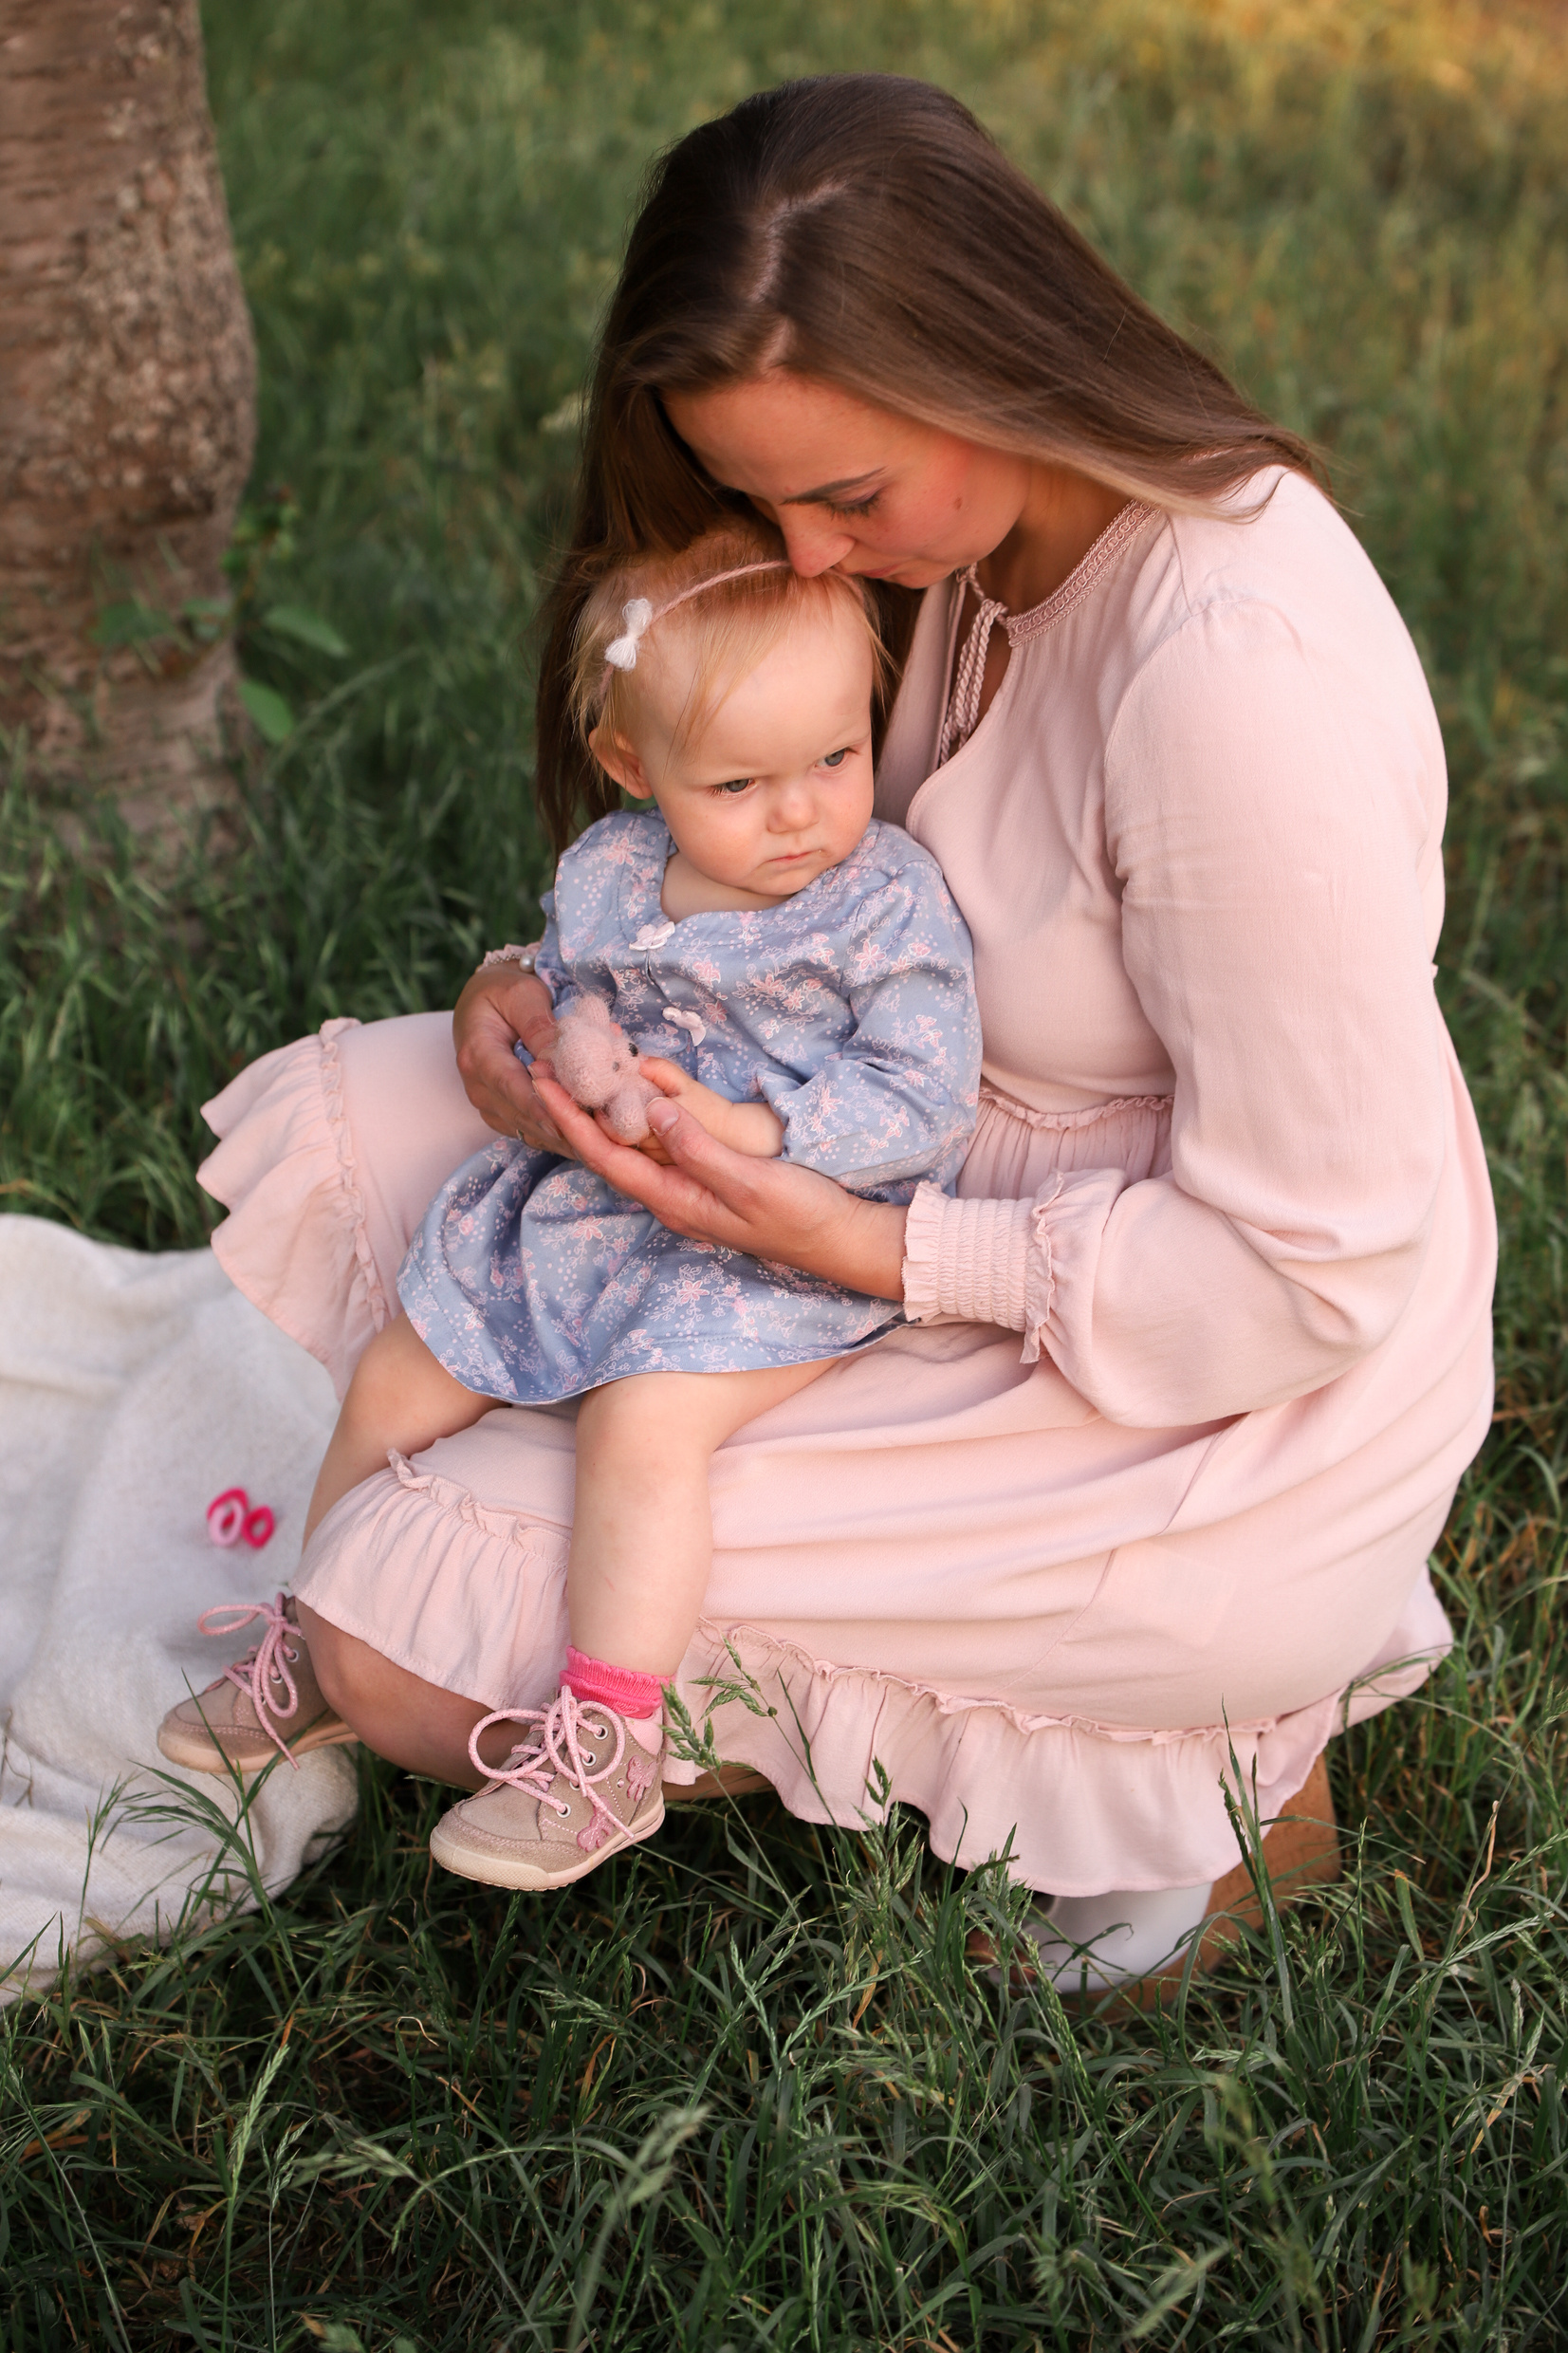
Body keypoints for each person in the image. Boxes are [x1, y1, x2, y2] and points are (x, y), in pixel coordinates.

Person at [159, 74, 1494, 1987]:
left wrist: (857, 1245)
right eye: (760, 495)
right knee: (384, 1118)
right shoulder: (956, 543)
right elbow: (775, 885)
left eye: (838, 495)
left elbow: (1310, 1265)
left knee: (406, 1641)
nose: (793, 555)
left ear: (997, 359)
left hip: (1187, 1374)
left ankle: (1231, 1753)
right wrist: (516, 1019)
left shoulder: (1223, 678)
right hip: (891, 1147)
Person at [160, 525, 979, 1892]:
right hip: (593, 1211)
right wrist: (565, 1045)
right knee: (399, 1369)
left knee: (644, 1422)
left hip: (779, 1241)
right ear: (633, 770)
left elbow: (923, 1092)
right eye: (739, 782)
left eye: (835, 759)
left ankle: (605, 1737)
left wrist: (764, 1130)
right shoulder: (609, 868)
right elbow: (570, 982)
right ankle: (314, 1627)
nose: (799, 813)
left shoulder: (881, 899)